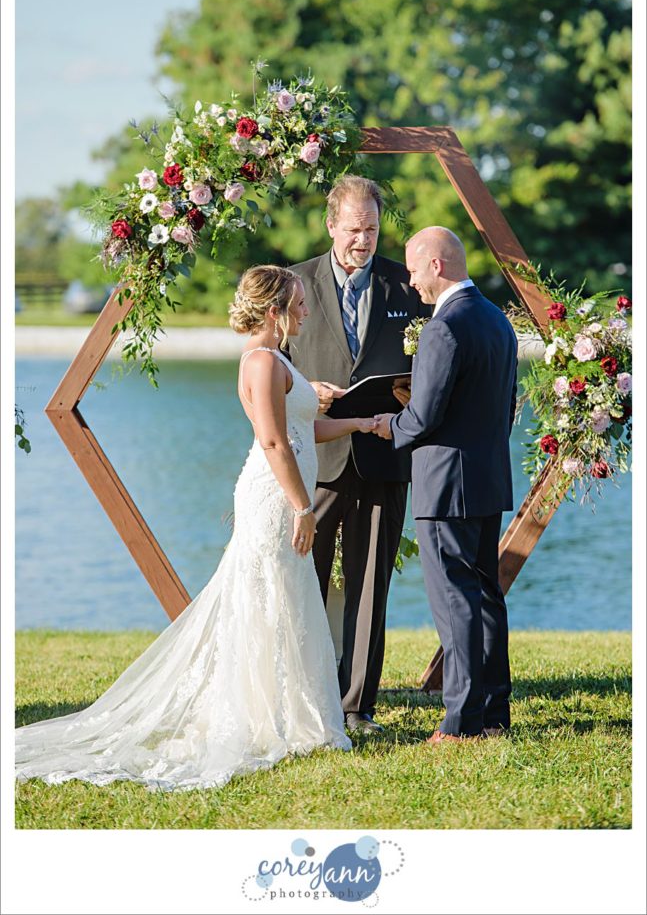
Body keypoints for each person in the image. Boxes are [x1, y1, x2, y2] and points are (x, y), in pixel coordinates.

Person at [15, 266, 378, 792]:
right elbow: (275, 443)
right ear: (274, 310)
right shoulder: (260, 362)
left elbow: (304, 429)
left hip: (285, 494)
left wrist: (362, 423)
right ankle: (260, 716)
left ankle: (283, 711)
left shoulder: (277, 360)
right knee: (265, 598)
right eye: (298, 303)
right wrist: (303, 508)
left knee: (286, 599)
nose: (306, 311)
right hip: (275, 497)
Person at [288, 176, 432, 735]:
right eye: (354, 230)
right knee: (304, 580)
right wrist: (305, 390)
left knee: (371, 586)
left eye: (371, 229)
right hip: (315, 461)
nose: (363, 241)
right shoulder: (295, 283)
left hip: (384, 456)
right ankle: (304, 698)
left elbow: (435, 364)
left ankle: (356, 706)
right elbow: (264, 370)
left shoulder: (408, 285)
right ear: (331, 226)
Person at [373, 227, 517, 742]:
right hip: (486, 476)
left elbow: (424, 415)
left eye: (413, 269)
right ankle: (494, 714)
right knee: (485, 597)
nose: (410, 282)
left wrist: (384, 425)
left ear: (435, 265)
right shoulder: (497, 320)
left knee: (456, 599)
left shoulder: (443, 328)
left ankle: (460, 723)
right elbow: (503, 406)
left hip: (444, 484)